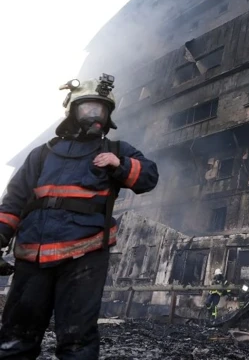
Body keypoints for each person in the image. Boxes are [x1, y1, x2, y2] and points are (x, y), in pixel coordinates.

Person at [0, 75, 158, 359]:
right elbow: (14, 199)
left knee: (77, 342)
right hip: (31, 257)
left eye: (102, 110)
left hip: (84, 256)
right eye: (89, 108)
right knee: (15, 339)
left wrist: (120, 165)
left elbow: (149, 176)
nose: (96, 115)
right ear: (72, 110)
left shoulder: (115, 150)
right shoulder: (42, 154)